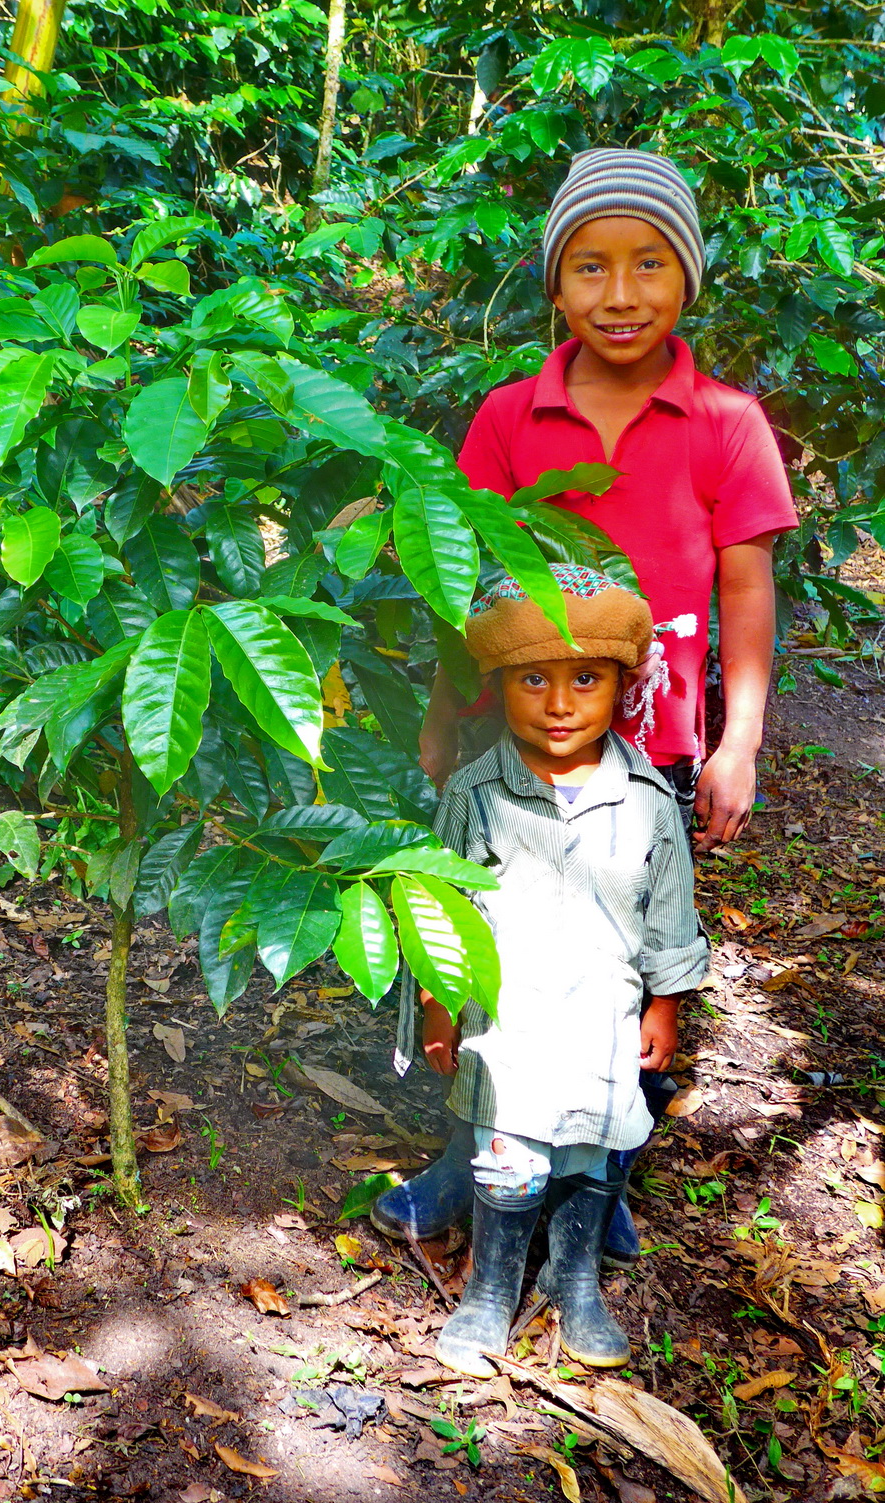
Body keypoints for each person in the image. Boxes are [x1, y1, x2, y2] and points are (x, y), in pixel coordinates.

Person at [372, 146, 797, 1254]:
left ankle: (596, 1176)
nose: (620, 294)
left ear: (686, 278)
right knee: (490, 943)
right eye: (592, 267)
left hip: (645, 747)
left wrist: (739, 741)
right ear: (555, 286)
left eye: (648, 264)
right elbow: (464, 580)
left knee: (626, 948)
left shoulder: (726, 422)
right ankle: (470, 1154)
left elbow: (749, 592)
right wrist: (442, 708)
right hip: (511, 733)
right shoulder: (513, 417)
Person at [408, 566, 708, 1375]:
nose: (560, 703)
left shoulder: (647, 799)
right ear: (501, 683)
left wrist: (666, 1004)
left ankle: (577, 1282)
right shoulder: (475, 794)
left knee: (591, 1148)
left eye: (587, 679)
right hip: (511, 1020)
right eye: (533, 679)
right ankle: (491, 1289)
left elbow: (669, 912)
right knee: (507, 1153)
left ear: (620, 683)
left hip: (602, 1017)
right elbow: (440, 905)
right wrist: (440, 1001)